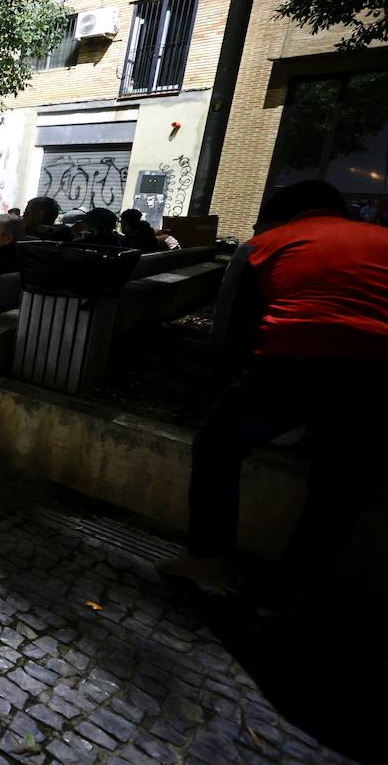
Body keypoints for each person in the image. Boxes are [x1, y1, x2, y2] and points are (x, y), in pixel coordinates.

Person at [157, 181, 388, 595]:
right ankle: (298, 589)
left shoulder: (266, 244)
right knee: (341, 481)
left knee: (216, 445)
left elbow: (232, 330)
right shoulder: (381, 240)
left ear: (283, 216)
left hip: (295, 357)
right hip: (377, 373)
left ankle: (209, 559)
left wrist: (231, 396)